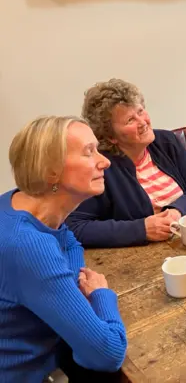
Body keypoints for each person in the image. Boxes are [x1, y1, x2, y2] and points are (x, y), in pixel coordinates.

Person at [0, 116, 127, 381]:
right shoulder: (27, 245)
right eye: (88, 153)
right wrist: (101, 294)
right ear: (50, 171)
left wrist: (69, 285)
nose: (105, 161)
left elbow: (69, 241)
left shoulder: (18, 202)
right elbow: (108, 353)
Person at [66, 79, 186, 248]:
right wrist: (141, 229)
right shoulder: (101, 167)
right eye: (130, 120)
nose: (143, 122)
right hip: (140, 258)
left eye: (141, 111)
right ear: (111, 136)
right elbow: (75, 227)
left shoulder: (166, 142)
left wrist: (177, 211)